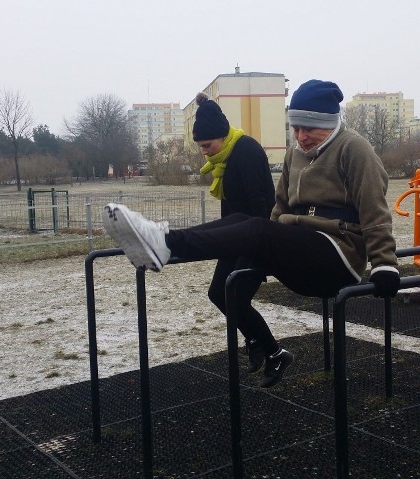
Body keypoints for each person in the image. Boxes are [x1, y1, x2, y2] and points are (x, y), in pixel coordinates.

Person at [103, 79, 399, 388]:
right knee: (237, 250)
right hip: (301, 250)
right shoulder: (295, 153)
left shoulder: (354, 148)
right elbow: (279, 208)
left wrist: (384, 263)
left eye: (309, 129)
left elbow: (374, 209)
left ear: (328, 122)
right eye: (296, 128)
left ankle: (165, 244)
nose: (301, 137)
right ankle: (165, 243)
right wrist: (259, 257)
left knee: (254, 227)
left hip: (338, 255)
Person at [192, 92, 276, 377]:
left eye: (207, 145)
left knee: (238, 298)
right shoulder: (223, 159)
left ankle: (273, 353)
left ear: (221, 135)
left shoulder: (247, 151)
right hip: (237, 236)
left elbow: (261, 203)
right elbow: (229, 207)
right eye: (201, 146)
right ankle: (255, 341)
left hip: (258, 238)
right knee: (218, 293)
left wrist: (260, 250)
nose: (204, 151)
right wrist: (222, 240)